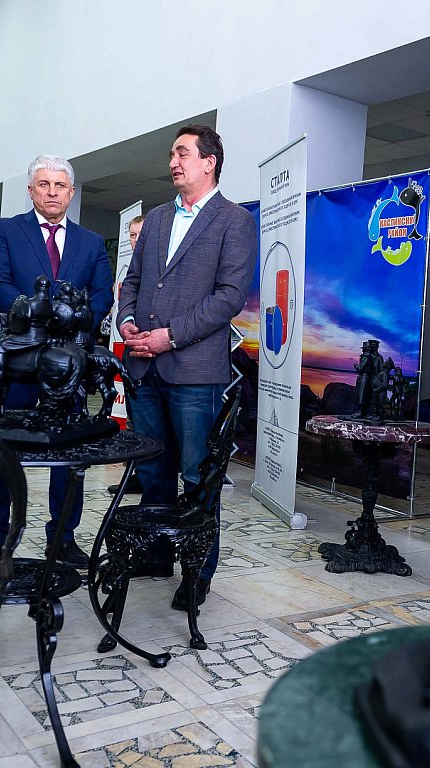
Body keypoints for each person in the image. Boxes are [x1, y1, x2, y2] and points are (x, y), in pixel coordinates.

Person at [119, 124, 256, 611]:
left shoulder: (234, 220)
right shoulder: (157, 218)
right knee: (152, 469)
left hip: (195, 372)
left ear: (209, 162)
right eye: (172, 155)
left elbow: (229, 297)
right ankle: (156, 556)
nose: (172, 162)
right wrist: (127, 321)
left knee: (198, 475)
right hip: (143, 368)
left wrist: (170, 336)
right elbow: (133, 281)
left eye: (182, 153)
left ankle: (197, 573)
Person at [0, 154, 113, 566]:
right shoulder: (5, 230)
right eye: (44, 184)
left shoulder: (91, 242)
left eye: (60, 186)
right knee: (2, 449)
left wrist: (73, 322)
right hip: (18, 359)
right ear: (31, 190)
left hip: (67, 364)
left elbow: (102, 294)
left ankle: (63, 538)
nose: (52, 192)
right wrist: (44, 316)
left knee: (71, 455)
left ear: (71, 193)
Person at [107, 215, 147, 496]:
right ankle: (138, 473)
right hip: (129, 349)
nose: (135, 240)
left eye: (140, 234)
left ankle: (150, 475)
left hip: (153, 351)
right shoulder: (128, 270)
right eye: (132, 235)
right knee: (134, 417)